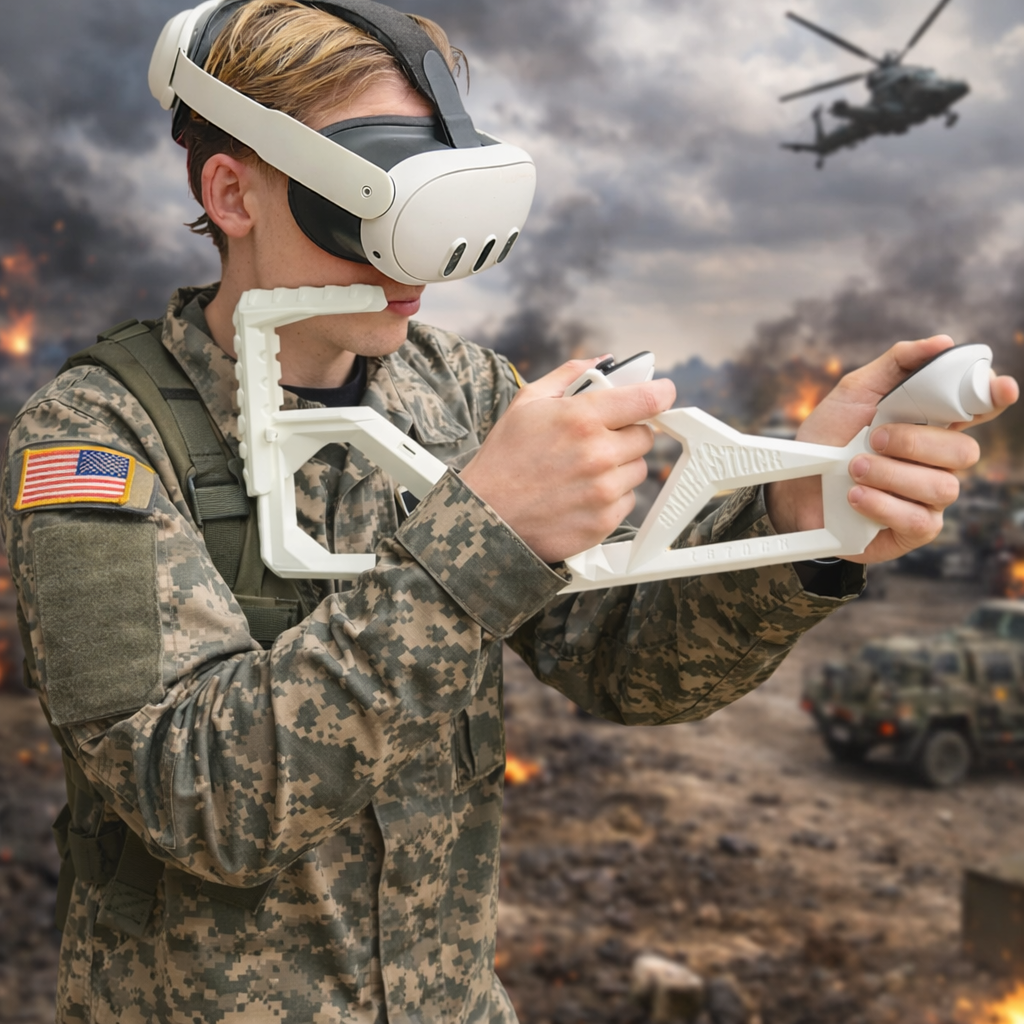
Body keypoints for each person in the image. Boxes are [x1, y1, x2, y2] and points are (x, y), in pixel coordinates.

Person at [1, 2, 1015, 1022]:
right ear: (233, 191)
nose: (419, 263)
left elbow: (626, 660)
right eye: (379, 198)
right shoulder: (95, 437)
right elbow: (200, 799)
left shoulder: (467, 395)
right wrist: (482, 535)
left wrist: (794, 517)